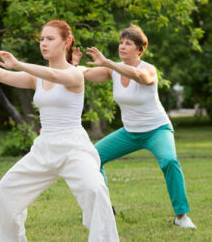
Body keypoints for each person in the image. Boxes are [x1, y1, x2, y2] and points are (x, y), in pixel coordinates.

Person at [0, 20, 128, 242]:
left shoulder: (75, 73)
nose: (44, 44)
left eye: (50, 39)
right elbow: (8, 76)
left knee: (95, 189)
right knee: (5, 190)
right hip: (44, 147)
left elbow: (55, 74)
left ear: (66, 42)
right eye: (42, 39)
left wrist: (18, 63)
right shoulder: (36, 77)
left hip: (73, 147)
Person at [74, 24, 196, 229]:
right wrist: (72, 65)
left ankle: (181, 216)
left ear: (139, 50)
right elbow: (85, 74)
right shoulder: (112, 70)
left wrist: (109, 63)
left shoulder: (148, 69)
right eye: (121, 42)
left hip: (157, 129)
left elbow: (141, 77)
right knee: (93, 157)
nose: (122, 46)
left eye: (128, 43)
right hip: (129, 132)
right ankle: (103, 209)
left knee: (169, 161)